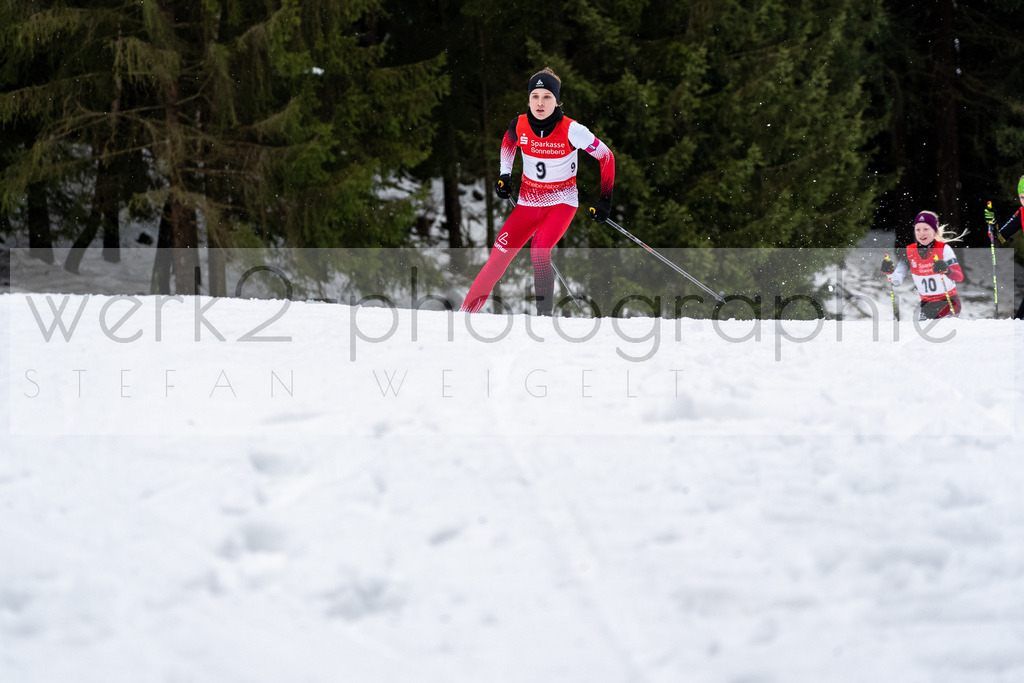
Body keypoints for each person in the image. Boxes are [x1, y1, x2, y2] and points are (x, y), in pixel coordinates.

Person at [460, 67, 615, 315]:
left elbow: (606, 156)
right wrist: (504, 175)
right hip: (528, 204)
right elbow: (509, 143)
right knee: (496, 259)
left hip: (561, 203)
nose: (540, 103)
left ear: (557, 100)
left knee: (540, 251)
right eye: (535, 96)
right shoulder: (519, 124)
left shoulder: (573, 129)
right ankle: (465, 314)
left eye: (547, 97)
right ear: (529, 99)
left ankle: (544, 320)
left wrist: (605, 198)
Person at [881, 210, 964, 319]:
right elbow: (896, 280)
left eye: (926, 229)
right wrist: (889, 272)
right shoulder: (910, 252)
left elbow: (959, 277)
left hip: (949, 303)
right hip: (927, 306)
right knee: (924, 335)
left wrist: (947, 270)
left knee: (943, 332)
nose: (921, 233)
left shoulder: (944, 249)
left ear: (934, 230)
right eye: (918, 229)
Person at [983, 174, 1024, 318]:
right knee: (1020, 321)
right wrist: (992, 224)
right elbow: (997, 239)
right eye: (1022, 197)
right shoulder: (1021, 213)